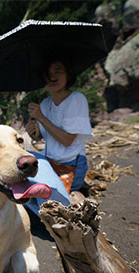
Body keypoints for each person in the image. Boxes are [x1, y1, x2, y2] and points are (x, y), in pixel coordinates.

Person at [24, 57, 92, 211]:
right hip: (49, 161)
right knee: (19, 164)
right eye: (48, 74)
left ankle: (68, 196)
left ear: (68, 74)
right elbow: (40, 136)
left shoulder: (76, 100)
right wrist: (33, 130)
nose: (52, 77)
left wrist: (41, 117)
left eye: (58, 72)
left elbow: (67, 140)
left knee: (47, 205)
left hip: (70, 165)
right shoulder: (45, 103)